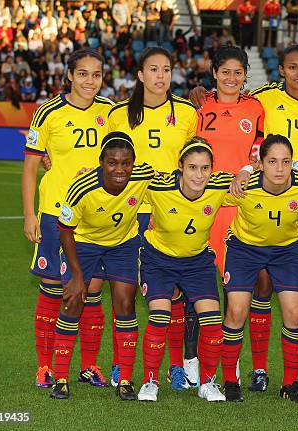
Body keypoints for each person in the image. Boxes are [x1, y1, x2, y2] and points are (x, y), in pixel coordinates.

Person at [192, 44, 298, 391]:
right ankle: (252, 369)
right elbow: (229, 109)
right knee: (249, 287)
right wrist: (204, 94)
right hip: (249, 196)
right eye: (293, 66)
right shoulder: (260, 99)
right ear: (281, 70)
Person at [22, 48, 113, 389]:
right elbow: (31, 166)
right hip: (55, 213)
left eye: (97, 74)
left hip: (97, 216)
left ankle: (88, 366)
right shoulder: (48, 112)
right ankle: (45, 366)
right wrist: (30, 213)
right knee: (52, 288)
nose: (91, 81)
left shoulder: (110, 112)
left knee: (91, 291)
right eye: (84, 74)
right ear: (70, 76)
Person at [107, 46, 198, 389]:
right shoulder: (119, 115)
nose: (161, 76)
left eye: (166, 69)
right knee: (125, 292)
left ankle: (175, 367)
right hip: (130, 214)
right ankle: (120, 364)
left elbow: (195, 161)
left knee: (172, 292)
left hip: (170, 213)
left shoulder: (188, 113)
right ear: (141, 75)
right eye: (154, 70)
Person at [51, 132, 155, 400]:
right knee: (74, 301)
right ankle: (60, 377)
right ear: (101, 162)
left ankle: (125, 381)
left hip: (123, 245)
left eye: (126, 163)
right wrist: (76, 275)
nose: (119, 169)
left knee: (125, 303)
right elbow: (65, 231)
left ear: (133, 162)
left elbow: (175, 182)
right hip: (83, 244)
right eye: (112, 162)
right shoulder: (81, 187)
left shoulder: (143, 176)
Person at [221, 135, 298, 403]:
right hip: (244, 250)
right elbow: (205, 190)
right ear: (261, 163)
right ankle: (230, 379)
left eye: (285, 162)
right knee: (237, 310)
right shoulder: (244, 186)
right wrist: (242, 171)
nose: (279, 168)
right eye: (272, 161)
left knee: (294, 312)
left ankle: (289, 383)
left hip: (286, 251)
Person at [190, 45, 264, 387]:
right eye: (225, 72)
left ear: (245, 74)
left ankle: (228, 367)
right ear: (214, 73)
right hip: (204, 207)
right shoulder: (200, 106)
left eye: (238, 72)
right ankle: (192, 362)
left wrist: (247, 170)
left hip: (241, 207)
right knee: (199, 285)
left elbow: (258, 153)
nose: (231, 78)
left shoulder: (256, 108)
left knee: (234, 291)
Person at [137, 138, 232, 402]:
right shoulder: (158, 186)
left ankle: (207, 382)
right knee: (159, 316)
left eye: (205, 168)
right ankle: (150, 381)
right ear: (180, 166)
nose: (198, 175)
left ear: (212, 169)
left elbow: (252, 185)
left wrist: (247, 172)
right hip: (158, 261)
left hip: (197, 263)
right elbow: (125, 181)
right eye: (192, 167)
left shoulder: (220, 186)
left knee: (212, 320)